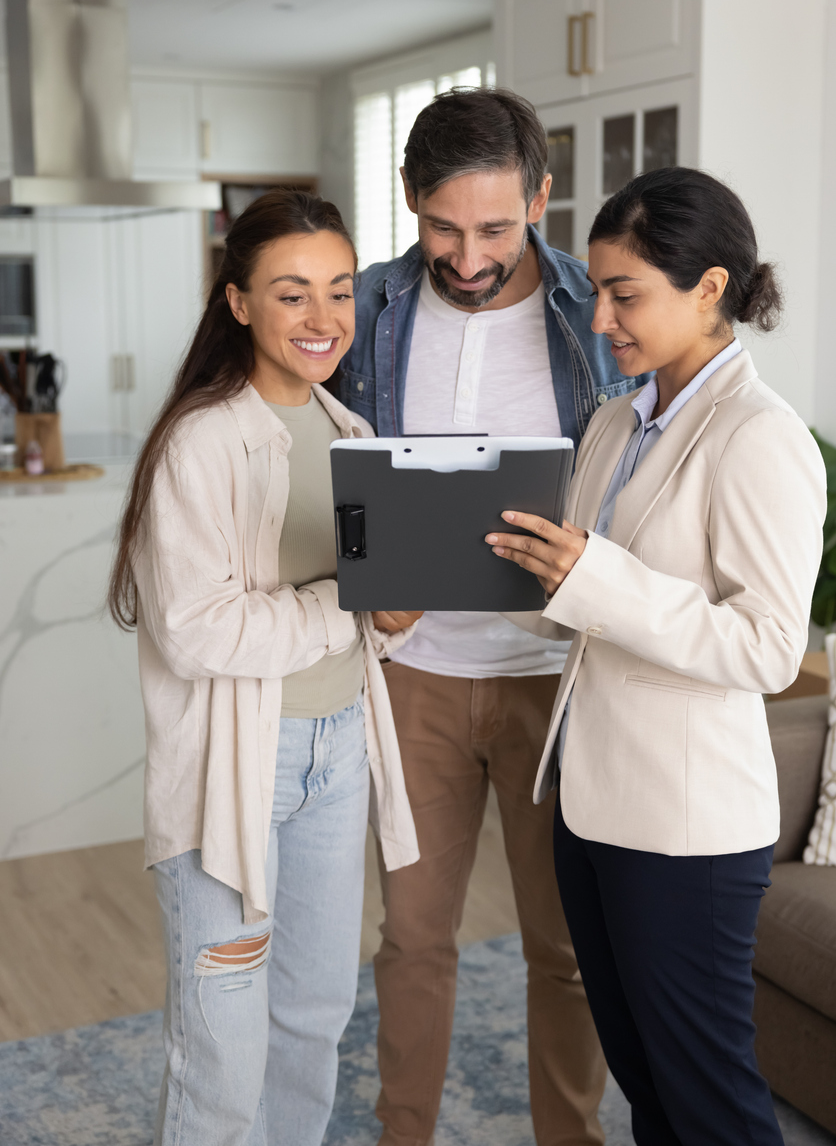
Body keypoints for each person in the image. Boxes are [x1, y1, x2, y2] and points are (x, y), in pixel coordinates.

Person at [487, 166, 826, 1145]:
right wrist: (492, 580)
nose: (600, 320)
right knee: (645, 1084)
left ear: (708, 288)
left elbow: (765, 646)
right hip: (591, 808)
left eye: (623, 294)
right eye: (596, 291)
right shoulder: (611, 422)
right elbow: (579, 603)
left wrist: (592, 577)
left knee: (707, 1099)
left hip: (684, 831)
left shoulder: (759, 438)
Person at [340, 87, 650, 1146]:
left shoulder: (596, 315)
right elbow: (315, 470)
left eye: (494, 228)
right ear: (407, 199)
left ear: (541, 198)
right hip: (410, 673)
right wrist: (364, 565)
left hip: (553, 682)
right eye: (440, 225)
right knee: (413, 940)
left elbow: (655, 466)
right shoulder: (368, 308)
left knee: (563, 950)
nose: (465, 256)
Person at [108, 190, 422, 1146]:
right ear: (240, 302)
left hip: (339, 756)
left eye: (340, 290)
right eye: (293, 295)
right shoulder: (200, 442)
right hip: (233, 773)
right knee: (223, 1055)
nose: (324, 319)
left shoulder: (358, 439)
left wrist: (393, 619)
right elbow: (201, 632)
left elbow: (371, 615)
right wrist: (350, 609)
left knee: (313, 1023)